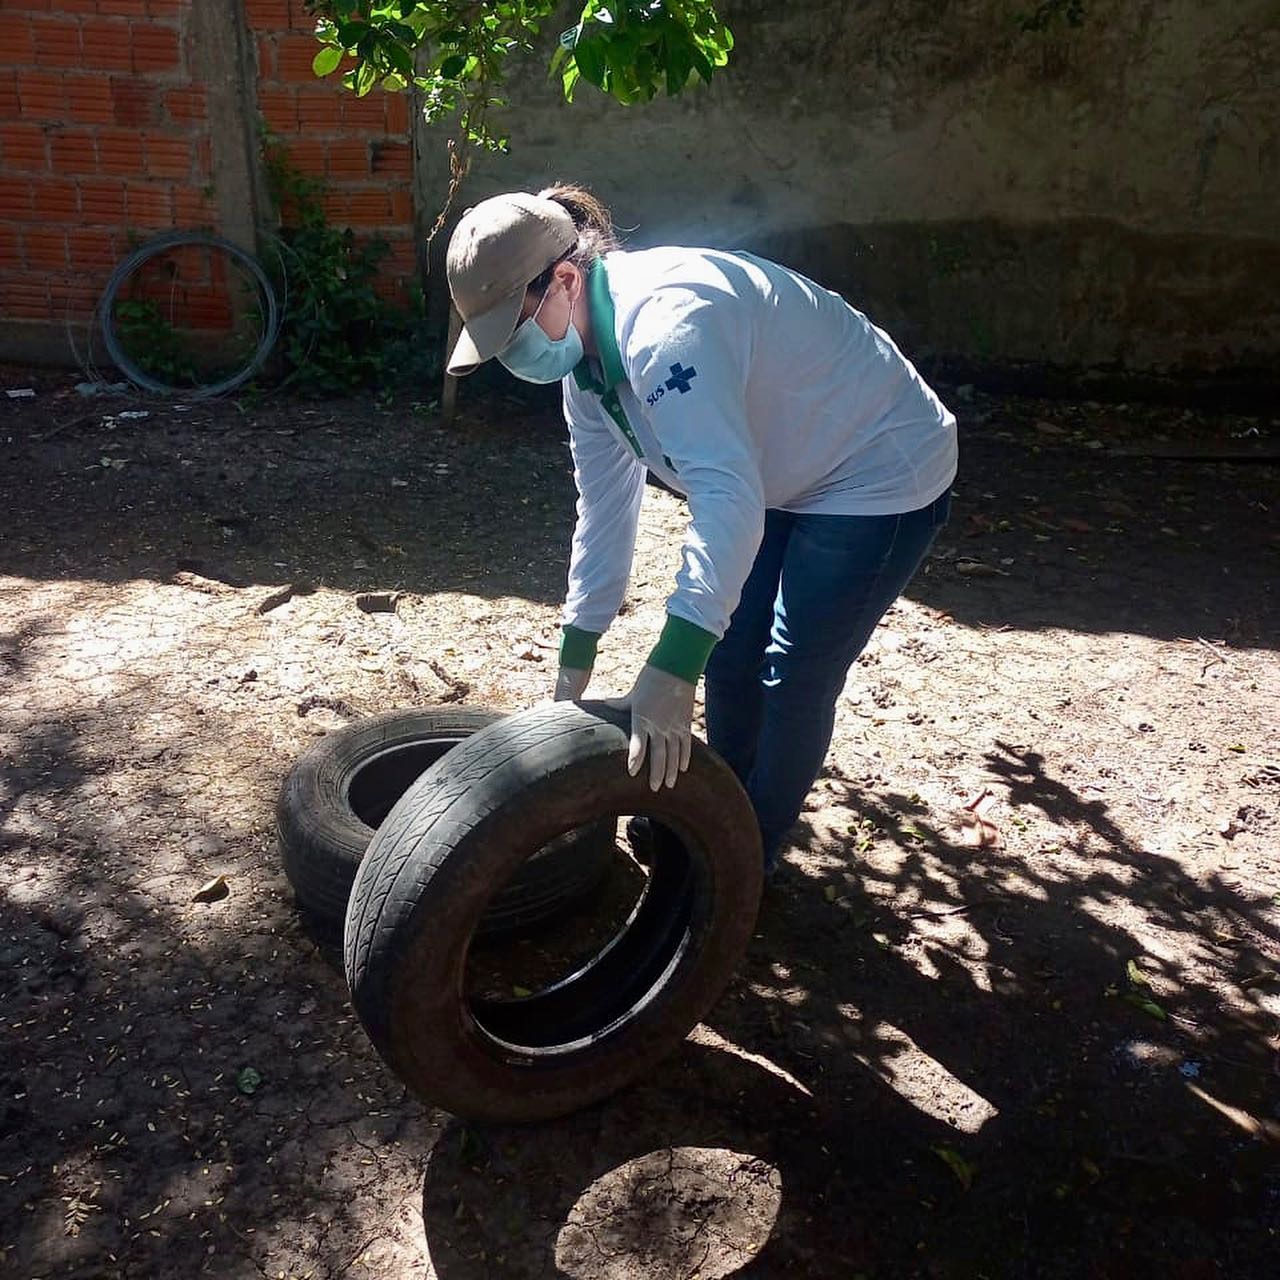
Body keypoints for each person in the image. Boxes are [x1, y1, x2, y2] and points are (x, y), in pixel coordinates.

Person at [444, 184, 956, 876]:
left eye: (514, 329)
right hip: (772, 461)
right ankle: (717, 815)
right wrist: (576, 652)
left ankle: (746, 858)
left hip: (874, 465)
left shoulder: (666, 327)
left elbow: (725, 497)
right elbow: (604, 507)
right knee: (729, 650)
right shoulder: (585, 371)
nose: (512, 354)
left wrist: (670, 665)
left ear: (564, 279)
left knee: (793, 674)